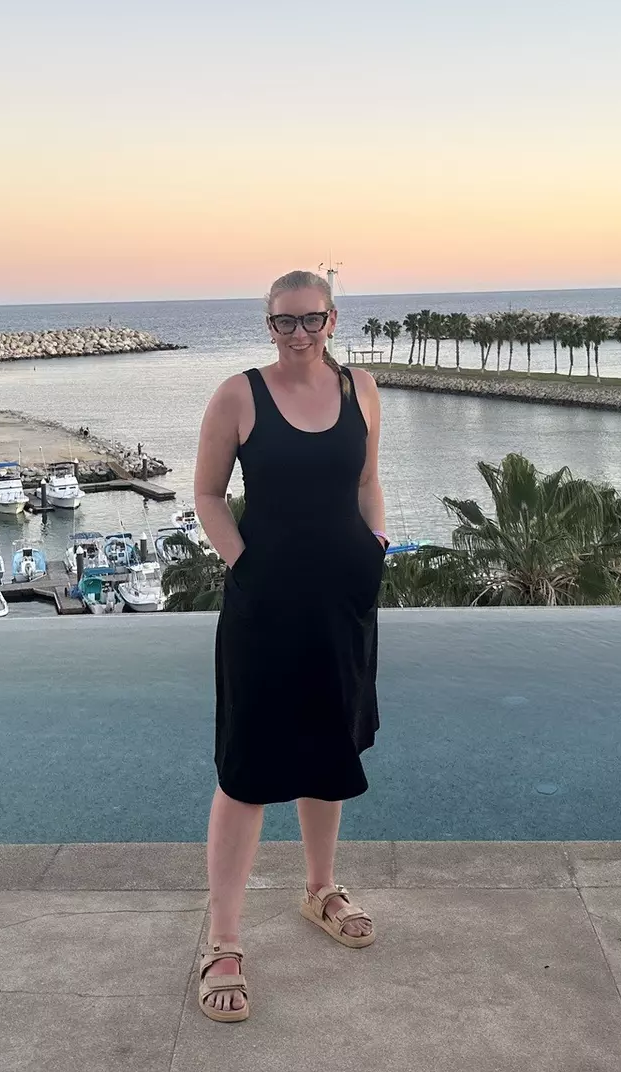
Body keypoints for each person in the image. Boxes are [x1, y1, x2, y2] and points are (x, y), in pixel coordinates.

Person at [190, 269, 388, 1023]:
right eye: (283, 322)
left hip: (343, 599)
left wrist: (376, 542)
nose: (298, 334)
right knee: (246, 771)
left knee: (329, 753)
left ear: (332, 320)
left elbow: (368, 481)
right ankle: (224, 939)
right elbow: (207, 494)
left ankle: (319, 890)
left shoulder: (362, 389)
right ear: (267, 324)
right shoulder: (238, 395)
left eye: (310, 320)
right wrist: (246, 564)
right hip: (264, 607)